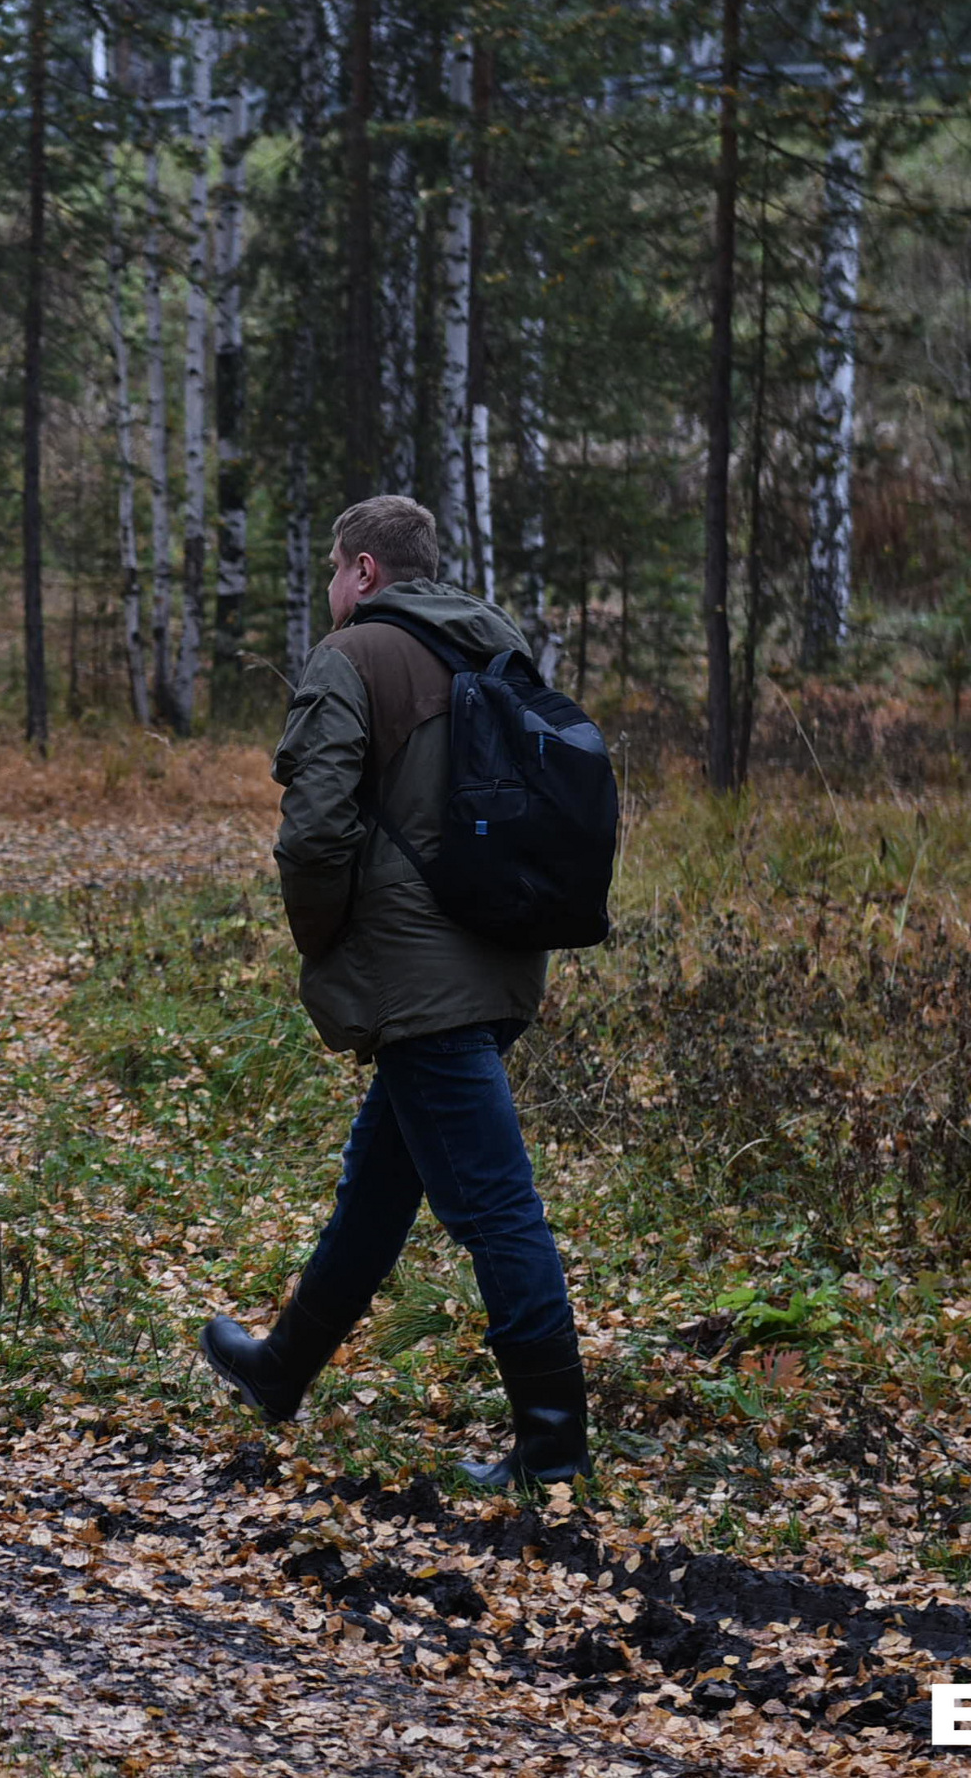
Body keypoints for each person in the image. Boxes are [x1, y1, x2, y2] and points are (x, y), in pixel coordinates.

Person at [199, 495, 590, 1489]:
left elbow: (316, 828)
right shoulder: (495, 643)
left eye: (334, 569)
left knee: (497, 1208)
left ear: (365, 571)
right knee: (379, 1184)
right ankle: (281, 1368)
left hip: (424, 980)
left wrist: (326, 939)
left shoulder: (357, 654)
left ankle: (552, 1444)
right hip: (501, 960)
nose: (331, 589)